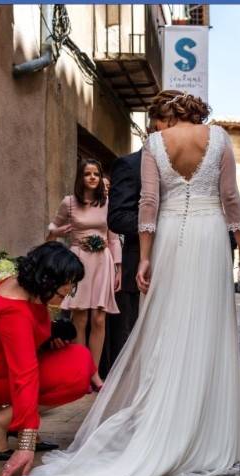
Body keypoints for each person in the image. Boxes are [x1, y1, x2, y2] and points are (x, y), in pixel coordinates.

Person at [22, 91, 240, 476]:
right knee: (209, 329)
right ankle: (205, 431)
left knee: (166, 326)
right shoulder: (218, 138)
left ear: (166, 114)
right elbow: (230, 198)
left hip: (166, 238)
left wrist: (145, 260)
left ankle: (163, 418)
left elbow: (148, 205)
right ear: (197, 110)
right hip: (209, 236)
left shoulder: (154, 144)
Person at [0, 242, 93, 476]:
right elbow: (24, 375)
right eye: (66, 288)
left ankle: (6, 422)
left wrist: (49, 339)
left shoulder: (19, 285)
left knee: (80, 358)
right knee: (77, 376)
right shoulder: (14, 312)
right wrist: (26, 443)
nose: (69, 291)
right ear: (47, 281)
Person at [47, 159, 121, 391]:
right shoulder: (69, 202)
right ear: (80, 177)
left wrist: (118, 267)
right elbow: (50, 231)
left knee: (99, 318)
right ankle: (81, 373)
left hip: (102, 262)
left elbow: (113, 238)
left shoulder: (107, 202)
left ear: (100, 178)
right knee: (79, 318)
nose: (92, 177)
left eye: (96, 174)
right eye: (87, 174)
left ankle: (95, 374)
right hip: (78, 263)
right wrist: (59, 232)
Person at [107, 145, 143, 369]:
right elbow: (118, 218)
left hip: (178, 266)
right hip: (139, 263)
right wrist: (159, 223)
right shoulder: (130, 165)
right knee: (137, 338)